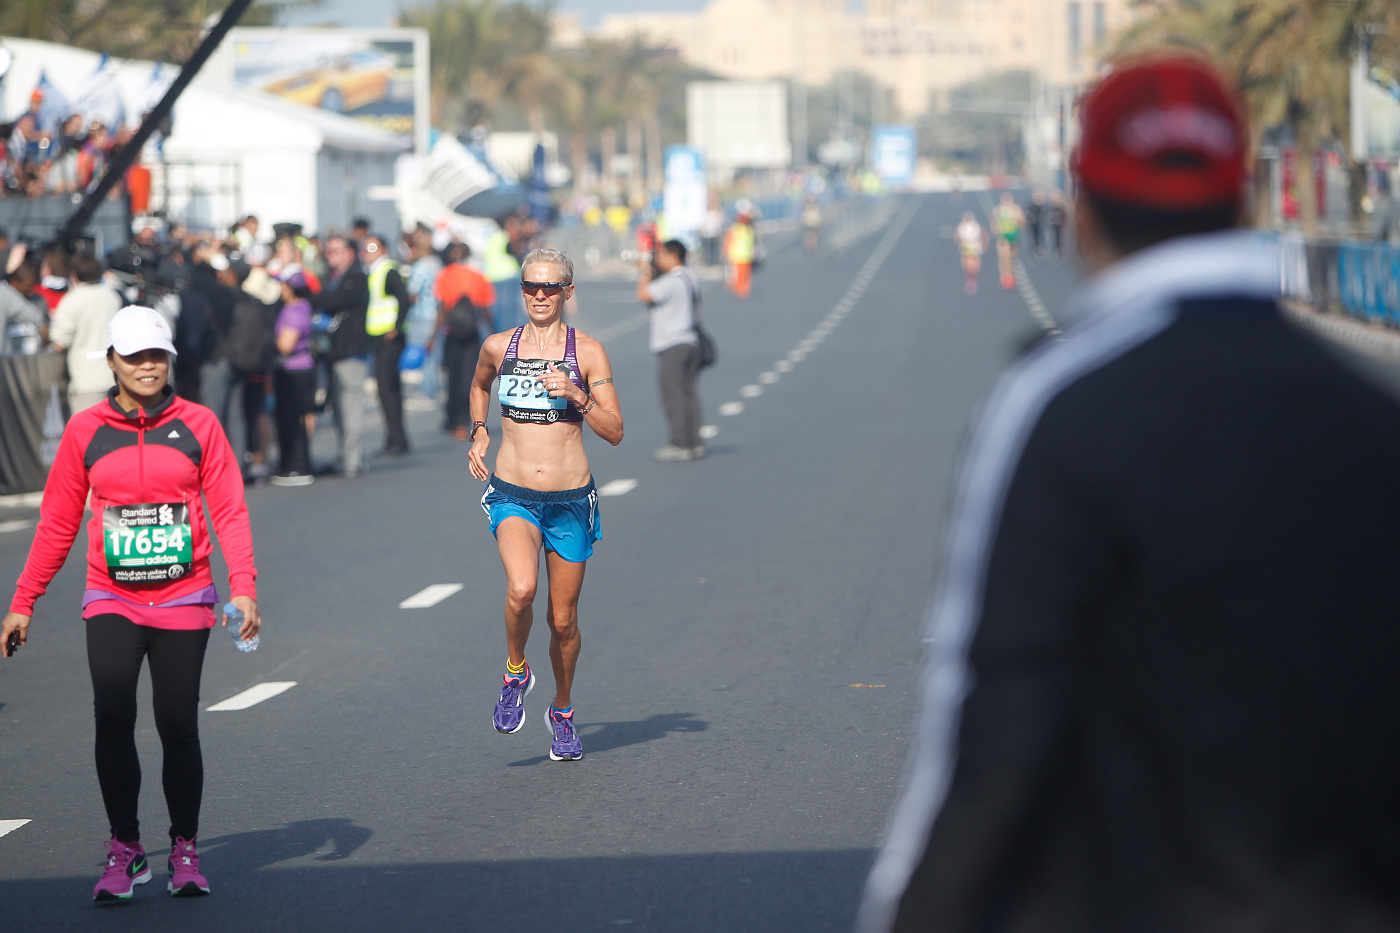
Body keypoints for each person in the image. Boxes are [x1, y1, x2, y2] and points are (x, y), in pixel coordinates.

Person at [859, 55, 1400, 933]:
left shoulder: (1054, 404)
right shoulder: (1373, 417)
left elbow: (995, 702)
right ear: (1247, 201)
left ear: (1084, 213)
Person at [2, 305, 261, 904]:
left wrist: (242, 584)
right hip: (112, 597)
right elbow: (58, 522)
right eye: (135, 356)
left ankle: (185, 848)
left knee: (176, 723)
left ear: (170, 360)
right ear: (112, 361)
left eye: (157, 356)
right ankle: (125, 849)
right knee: (113, 715)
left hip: (184, 597)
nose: (148, 366)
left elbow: (228, 510)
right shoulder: (85, 430)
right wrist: (24, 601)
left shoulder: (199, 424)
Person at [468, 248, 623, 761]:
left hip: (570, 501)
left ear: (567, 293)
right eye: (530, 286)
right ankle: (516, 671)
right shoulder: (498, 346)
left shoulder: (588, 352)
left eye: (549, 288)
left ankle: (561, 710)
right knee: (521, 587)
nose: (538, 296)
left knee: (563, 622)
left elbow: (615, 431)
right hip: (514, 493)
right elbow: (478, 385)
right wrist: (479, 431)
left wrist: (577, 395)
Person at [637, 239, 704, 461]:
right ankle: (694, 441)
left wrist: (646, 272)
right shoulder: (690, 276)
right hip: (690, 342)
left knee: (673, 396)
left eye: (662, 255)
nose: (659, 259)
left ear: (673, 255)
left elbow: (644, 294)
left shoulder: (672, 281)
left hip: (673, 344)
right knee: (688, 393)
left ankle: (680, 443)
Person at [316, 235, 372, 477]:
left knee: (350, 407)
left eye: (335, 251)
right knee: (338, 409)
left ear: (350, 252)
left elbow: (331, 301)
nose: (330, 255)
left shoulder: (356, 278)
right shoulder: (333, 279)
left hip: (351, 352)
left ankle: (352, 460)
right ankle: (344, 456)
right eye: (328, 251)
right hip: (334, 353)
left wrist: (312, 298)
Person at [432, 241, 495, 438]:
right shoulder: (478, 276)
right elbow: (485, 309)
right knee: (469, 378)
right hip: (471, 334)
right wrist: (494, 334)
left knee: (452, 376)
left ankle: (451, 420)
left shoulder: (445, 275)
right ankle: (462, 422)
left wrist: (433, 336)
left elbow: (442, 309)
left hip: (452, 333)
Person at [49, 253, 122, 414]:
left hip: (86, 381)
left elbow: (59, 343)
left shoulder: (71, 300)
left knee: (87, 434)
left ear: (73, 274)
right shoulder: (112, 296)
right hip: (114, 378)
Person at [360, 234, 411, 457]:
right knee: (389, 388)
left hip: (389, 338)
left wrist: (396, 327)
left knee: (386, 389)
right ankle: (394, 438)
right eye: (365, 248)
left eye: (371, 247)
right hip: (379, 337)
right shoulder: (374, 273)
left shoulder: (388, 270)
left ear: (383, 249)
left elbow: (403, 298)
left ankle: (397, 439)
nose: (366, 252)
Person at [271, 270, 317, 485]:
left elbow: (286, 344)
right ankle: (301, 462)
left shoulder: (294, 310)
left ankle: (296, 466)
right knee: (302, 416)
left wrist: (269, 341)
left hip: (293, 369)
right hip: (303, 367)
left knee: (291, 419)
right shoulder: (305, 306)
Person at [404, 231, 443, 410]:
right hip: (436, 314)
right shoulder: (437, 264)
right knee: (433, 354)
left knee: (424, 354)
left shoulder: (421, 267)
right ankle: (433, 388)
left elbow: (413, 292)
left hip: (422, 315)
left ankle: (428, 392)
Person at [483, 215, 525, 332]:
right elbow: (514, 250)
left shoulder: (492, 236)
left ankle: (500, 335)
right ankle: (510, 337)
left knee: (497, 312)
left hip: (492, 277)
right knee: (509, 312)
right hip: (507, 276)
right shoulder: (506, 236)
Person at [990, 191, 1024, 289]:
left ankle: (1011, 273)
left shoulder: (1016, 209)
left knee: (1013, 256)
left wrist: (1019, 220)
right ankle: (1005, 277)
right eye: (1004, 199)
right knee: (1004, 256)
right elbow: (992, 222)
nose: (1006, 201)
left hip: (1013, 235)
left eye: (1008, 199)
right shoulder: (997, 210)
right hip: (1002, 236)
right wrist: (995, 232)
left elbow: (1023, 223)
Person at [954, 211, 989, 295]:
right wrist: (984, 245)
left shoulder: (961, 225)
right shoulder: (976, 225)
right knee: (975, 258)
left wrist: (958, 243)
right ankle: (975, 272)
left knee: (965, 258)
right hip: (974, 244)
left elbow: (957, 237)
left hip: (967, 244)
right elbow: (984, 235)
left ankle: (967, 272)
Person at [724, 211, 755, 299]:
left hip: (746, 256)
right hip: (737, 257)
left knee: (745, 275)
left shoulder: (748, 229)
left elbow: (751, 243)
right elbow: (728, 241)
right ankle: (739, 290)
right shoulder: (735, 229)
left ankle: (743, 290)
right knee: (738, 275)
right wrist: (726, 252)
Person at [1025, 188, 1046, 261]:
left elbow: (1045, 214)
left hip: (1040, 225)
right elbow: (1028, 215)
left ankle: (1039, 249)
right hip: (1033, 225)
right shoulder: (1031, 205)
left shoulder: (1042, 206)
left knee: (1040, 238)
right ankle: (1033, 251)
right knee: (1032, 239)